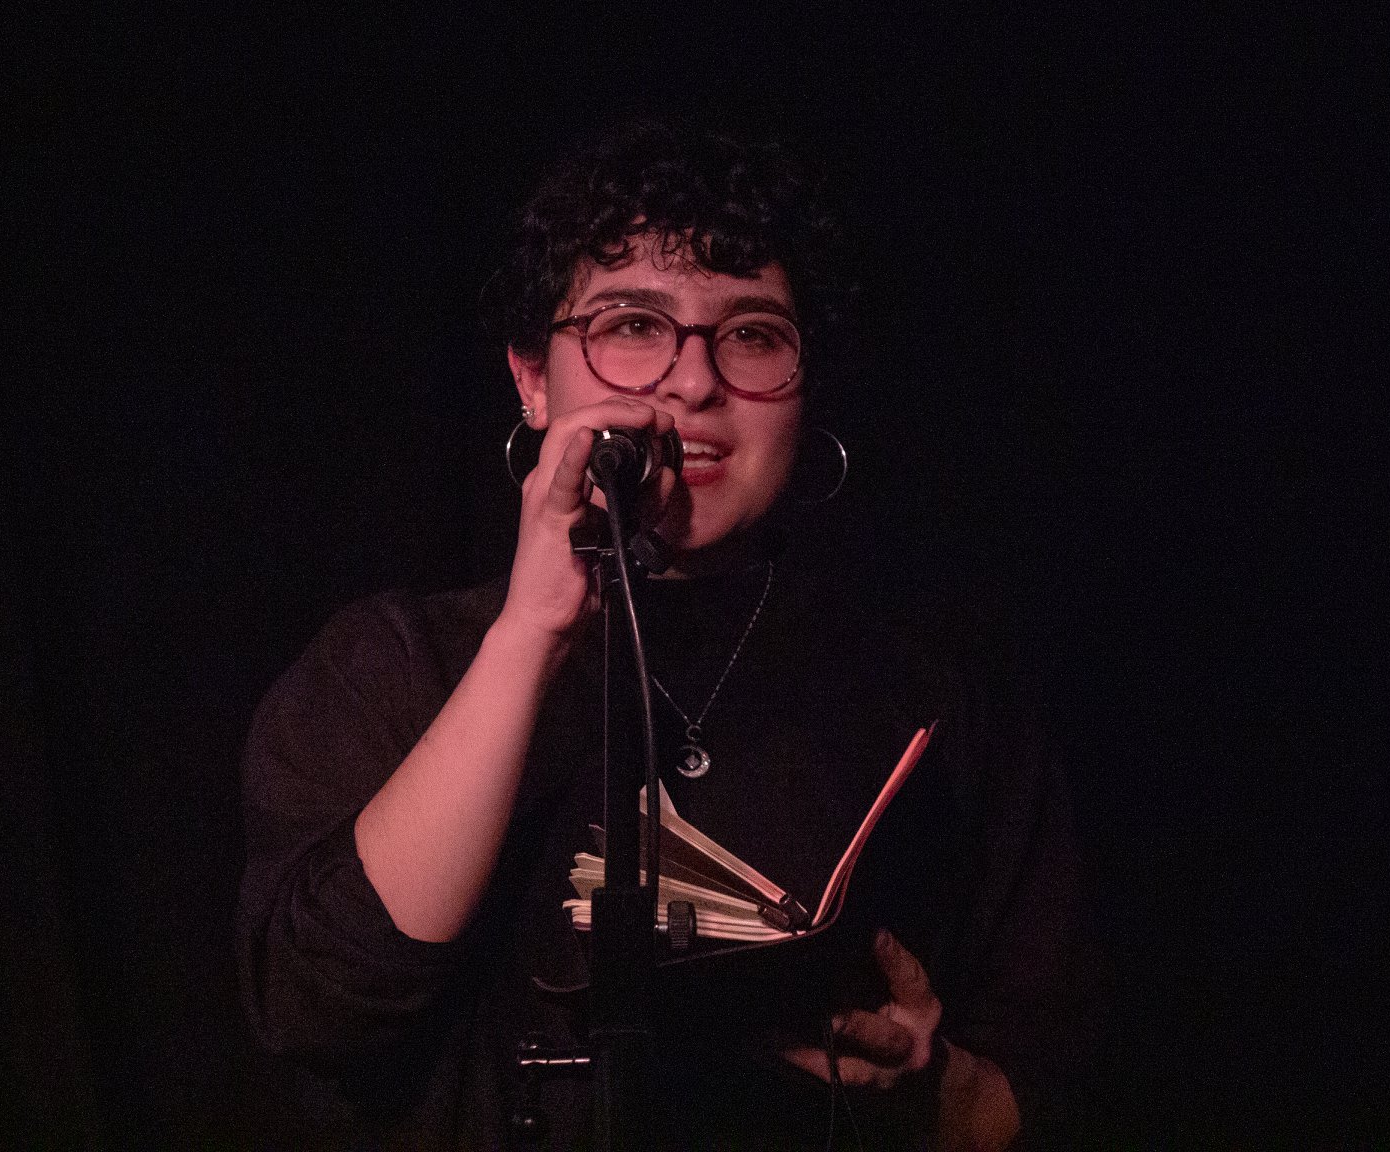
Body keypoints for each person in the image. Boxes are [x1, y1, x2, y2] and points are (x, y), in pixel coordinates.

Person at [237, 121, 1096, 1148]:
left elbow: (1051, 1071)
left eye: (753, 335)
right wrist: (535, 626)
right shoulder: (395, 664)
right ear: (532, 377)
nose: (694, 383)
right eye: (634, 325)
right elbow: (317, 1005)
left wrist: (930, 1087)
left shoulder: (933, 693)